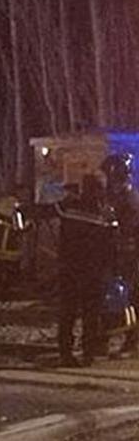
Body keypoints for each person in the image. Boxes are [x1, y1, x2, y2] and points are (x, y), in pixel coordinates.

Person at [56, 174, 116, 367]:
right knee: (91, 313)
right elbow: (111, 244)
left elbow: (50, 214)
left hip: (69, 268)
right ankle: (88, 353)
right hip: (92, 271)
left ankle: (66, 352)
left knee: (68, 312)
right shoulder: (104, 213)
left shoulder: (69, 207)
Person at [102, 153, 139, 355]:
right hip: (119, 256)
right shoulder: (120, 198)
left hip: (130, 258)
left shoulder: (130, 200)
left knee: (132, 298)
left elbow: (127, 229)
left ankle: (132, 340)